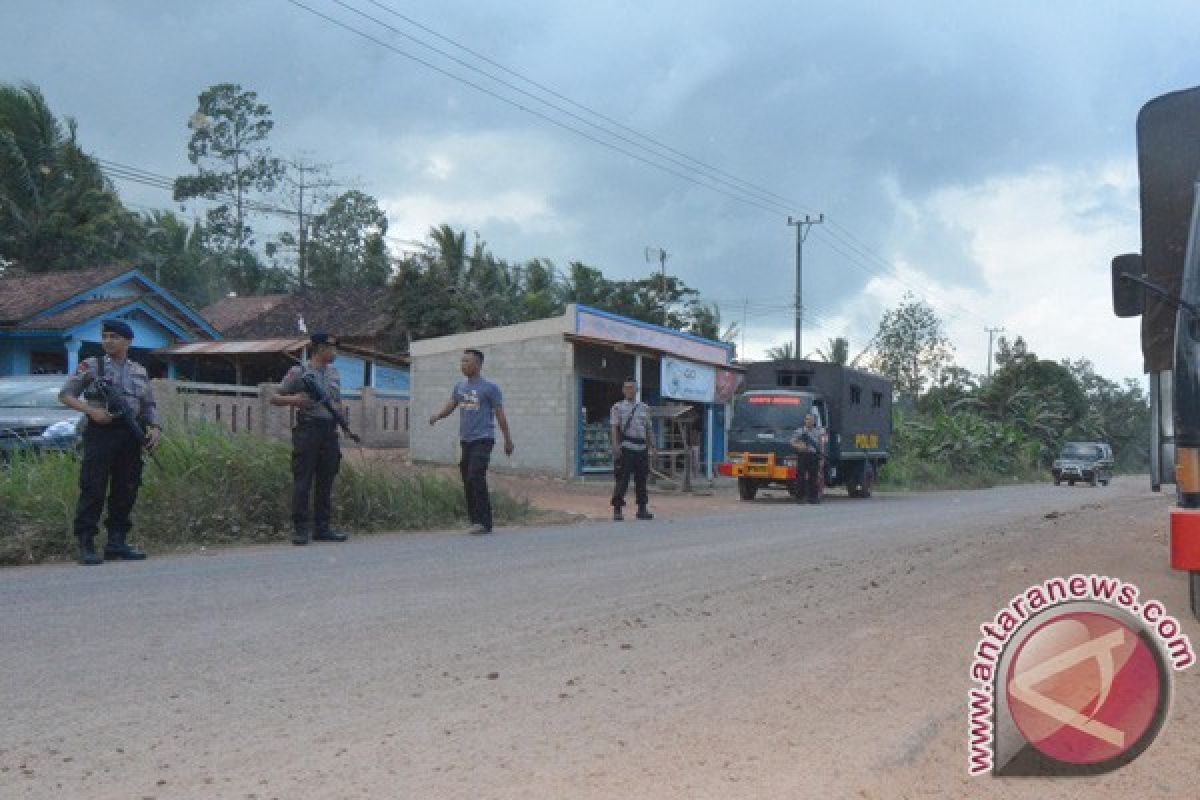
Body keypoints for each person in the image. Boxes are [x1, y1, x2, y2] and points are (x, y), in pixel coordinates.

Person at [58, 318, 162, 565]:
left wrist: (156, 428)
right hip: (100, 431)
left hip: (130, 433)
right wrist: (91, 412)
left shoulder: (139, 371)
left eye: (114, 337)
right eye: (105, 336)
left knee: (126, 488)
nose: (108, 341)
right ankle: (86, 543)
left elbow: (148, 405)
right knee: (93, 487)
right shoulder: (91, 366)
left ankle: (117, 542)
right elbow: (65, 395)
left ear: (128, 341)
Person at [271, 332, 350, 546]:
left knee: (326, 480)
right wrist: (295, 400)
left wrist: (342, 423)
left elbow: (337, 402)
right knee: (303, 480)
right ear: (319, 349)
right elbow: (274, 397)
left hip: (329, 431)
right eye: (331, 348)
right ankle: (300, 529)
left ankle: (322, 528)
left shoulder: (334, 373)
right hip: (308, 430)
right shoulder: (299, 372)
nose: (335, 353)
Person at [428, 348, 514, 534]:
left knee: (476, 475)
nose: (463, 365)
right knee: (468, 479)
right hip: (466, 440)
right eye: (462, 361)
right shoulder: (459, 387)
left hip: (484, 439)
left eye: (467, 361)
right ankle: (475, 521)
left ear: (478, 365)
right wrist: (438, 416)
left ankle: (484, 522)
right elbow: (451, 405)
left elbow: (500, 415)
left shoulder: (490, 388)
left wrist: (508, 439)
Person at [610, 379, 655, 521]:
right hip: (626, 447)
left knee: (641, 479)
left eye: (632, 388)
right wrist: (616, 446)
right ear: (623, 390)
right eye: (626, 388)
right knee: (622, 480)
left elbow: (648, 429)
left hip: (641, 448)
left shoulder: (644, 408)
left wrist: (653, 447)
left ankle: (642, 509)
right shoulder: (617, 407)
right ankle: (617, 509)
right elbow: (614, 427)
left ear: (637, 390)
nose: (629, 390)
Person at [790, 411, 827, 504]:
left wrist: (822, 458)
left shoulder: (817, 432)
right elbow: (792, 442)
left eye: (811, 420)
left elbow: (820, 445)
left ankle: (813, 498)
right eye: (807, 419)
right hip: (803, 455)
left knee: (813, 478)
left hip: (813, 456)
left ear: (814, 421)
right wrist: (800, 446)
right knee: (800, 478)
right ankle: (800, 498)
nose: (809, 421)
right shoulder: (799, 431)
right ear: (804, 420)